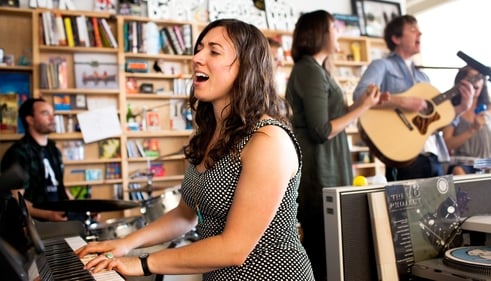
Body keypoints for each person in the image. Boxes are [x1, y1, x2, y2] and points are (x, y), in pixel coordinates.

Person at [76, 18, 315, 280]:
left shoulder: (268, 140)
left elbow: (234, 249)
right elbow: (184, 215)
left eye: (213, 51)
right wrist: (125, 243)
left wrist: (142, 263)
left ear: (246, 67)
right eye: (199, 48)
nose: (197, 58)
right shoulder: (209, 133)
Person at [285, 10, 386, 281]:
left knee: (333, 251)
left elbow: (330, 120)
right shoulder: (308, 70)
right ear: (319, 32)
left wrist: (361, 104)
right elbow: (321, 130)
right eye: (334, 27)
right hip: (320, 175)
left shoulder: (317, 70)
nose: (339, 31)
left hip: (329, 170)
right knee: (323, 251)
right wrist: (361, 107)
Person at [353, 14, 475, 182]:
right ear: (396, 38)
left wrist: (460, 109)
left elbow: (434, 123)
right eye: (413, 30)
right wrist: (403, 102)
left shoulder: (424, 78)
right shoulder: (382, 66)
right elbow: (360, 95)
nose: (420, 33)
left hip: (433, 156)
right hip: (403, 156)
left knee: (442, 208)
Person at [0, 98, 80, 222]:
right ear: (30, 119)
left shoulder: (54, 149)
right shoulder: (18, 153)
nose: (52, 118)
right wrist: (48, 215)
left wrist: (84, 210)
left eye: (52, 113)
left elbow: (61, 189)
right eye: (45, 113)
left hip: (61, 221)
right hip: (34, 227)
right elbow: (16, 199)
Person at [443, 66, 491, 175]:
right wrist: (473, 129)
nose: (476, 81)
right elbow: (446, 144)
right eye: (471, 77)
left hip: (490, 162)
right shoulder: (453, 109)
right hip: (466, 164)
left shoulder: (490, 107)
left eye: (479, 77)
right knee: (458, 171)